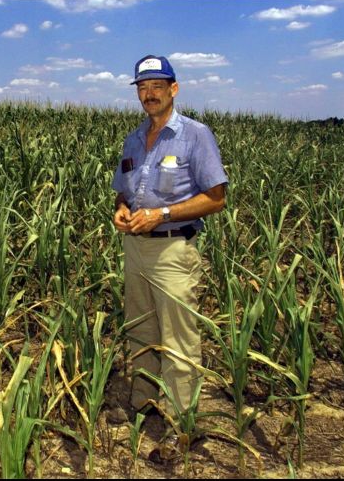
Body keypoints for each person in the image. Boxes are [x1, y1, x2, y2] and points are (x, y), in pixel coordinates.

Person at [111, 54, 228, 428]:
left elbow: (216, 198)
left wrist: (160, 214)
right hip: (136, 249)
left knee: (179, 339)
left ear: (173, 89)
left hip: (173, 250)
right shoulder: (133, 140)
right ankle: (144, 404)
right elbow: (123, 191)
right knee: (140, 329)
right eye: (143, 87)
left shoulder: (195, 135)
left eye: (157, 86)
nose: (149, 94)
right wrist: (121, 209)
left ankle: (181, 423)